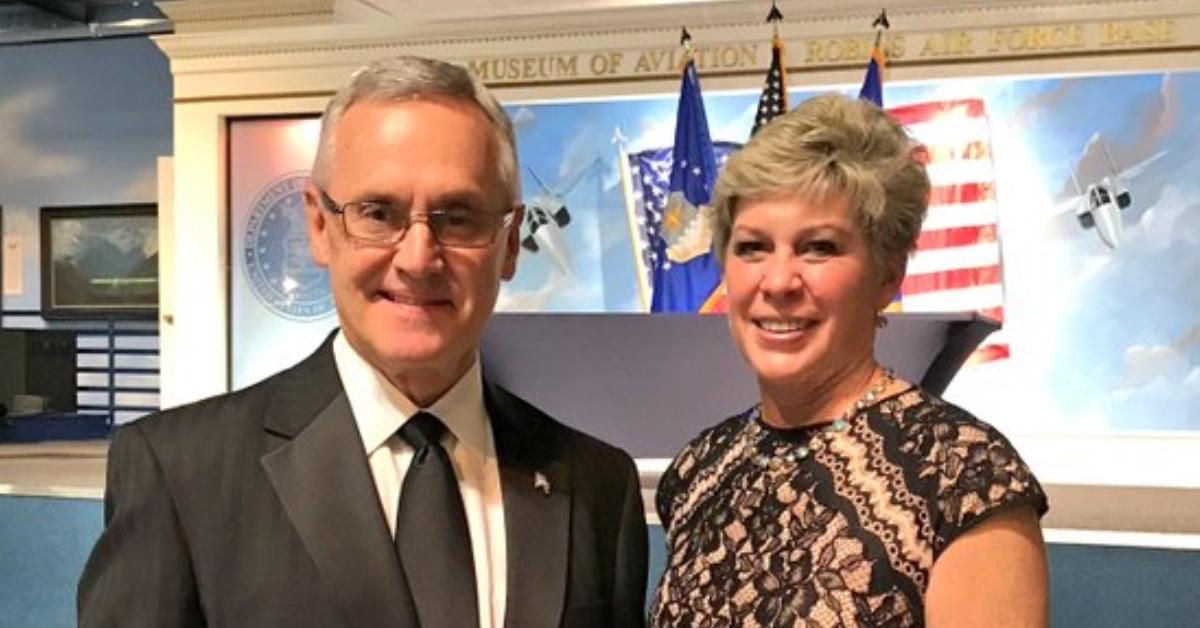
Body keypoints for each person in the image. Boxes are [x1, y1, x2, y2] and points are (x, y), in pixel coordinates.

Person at [78, 55, 648, 628]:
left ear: (507, 245)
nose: (419, 258)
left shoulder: (597, 486)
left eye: (459, 218)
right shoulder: (181, 475)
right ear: (320, 226)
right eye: (378, 213)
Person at [650, 93, 1048, 627]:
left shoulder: (965, 478)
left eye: (819, 248)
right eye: (752, 248)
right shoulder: (698, 468)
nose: (778, 282)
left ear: (887, 274)